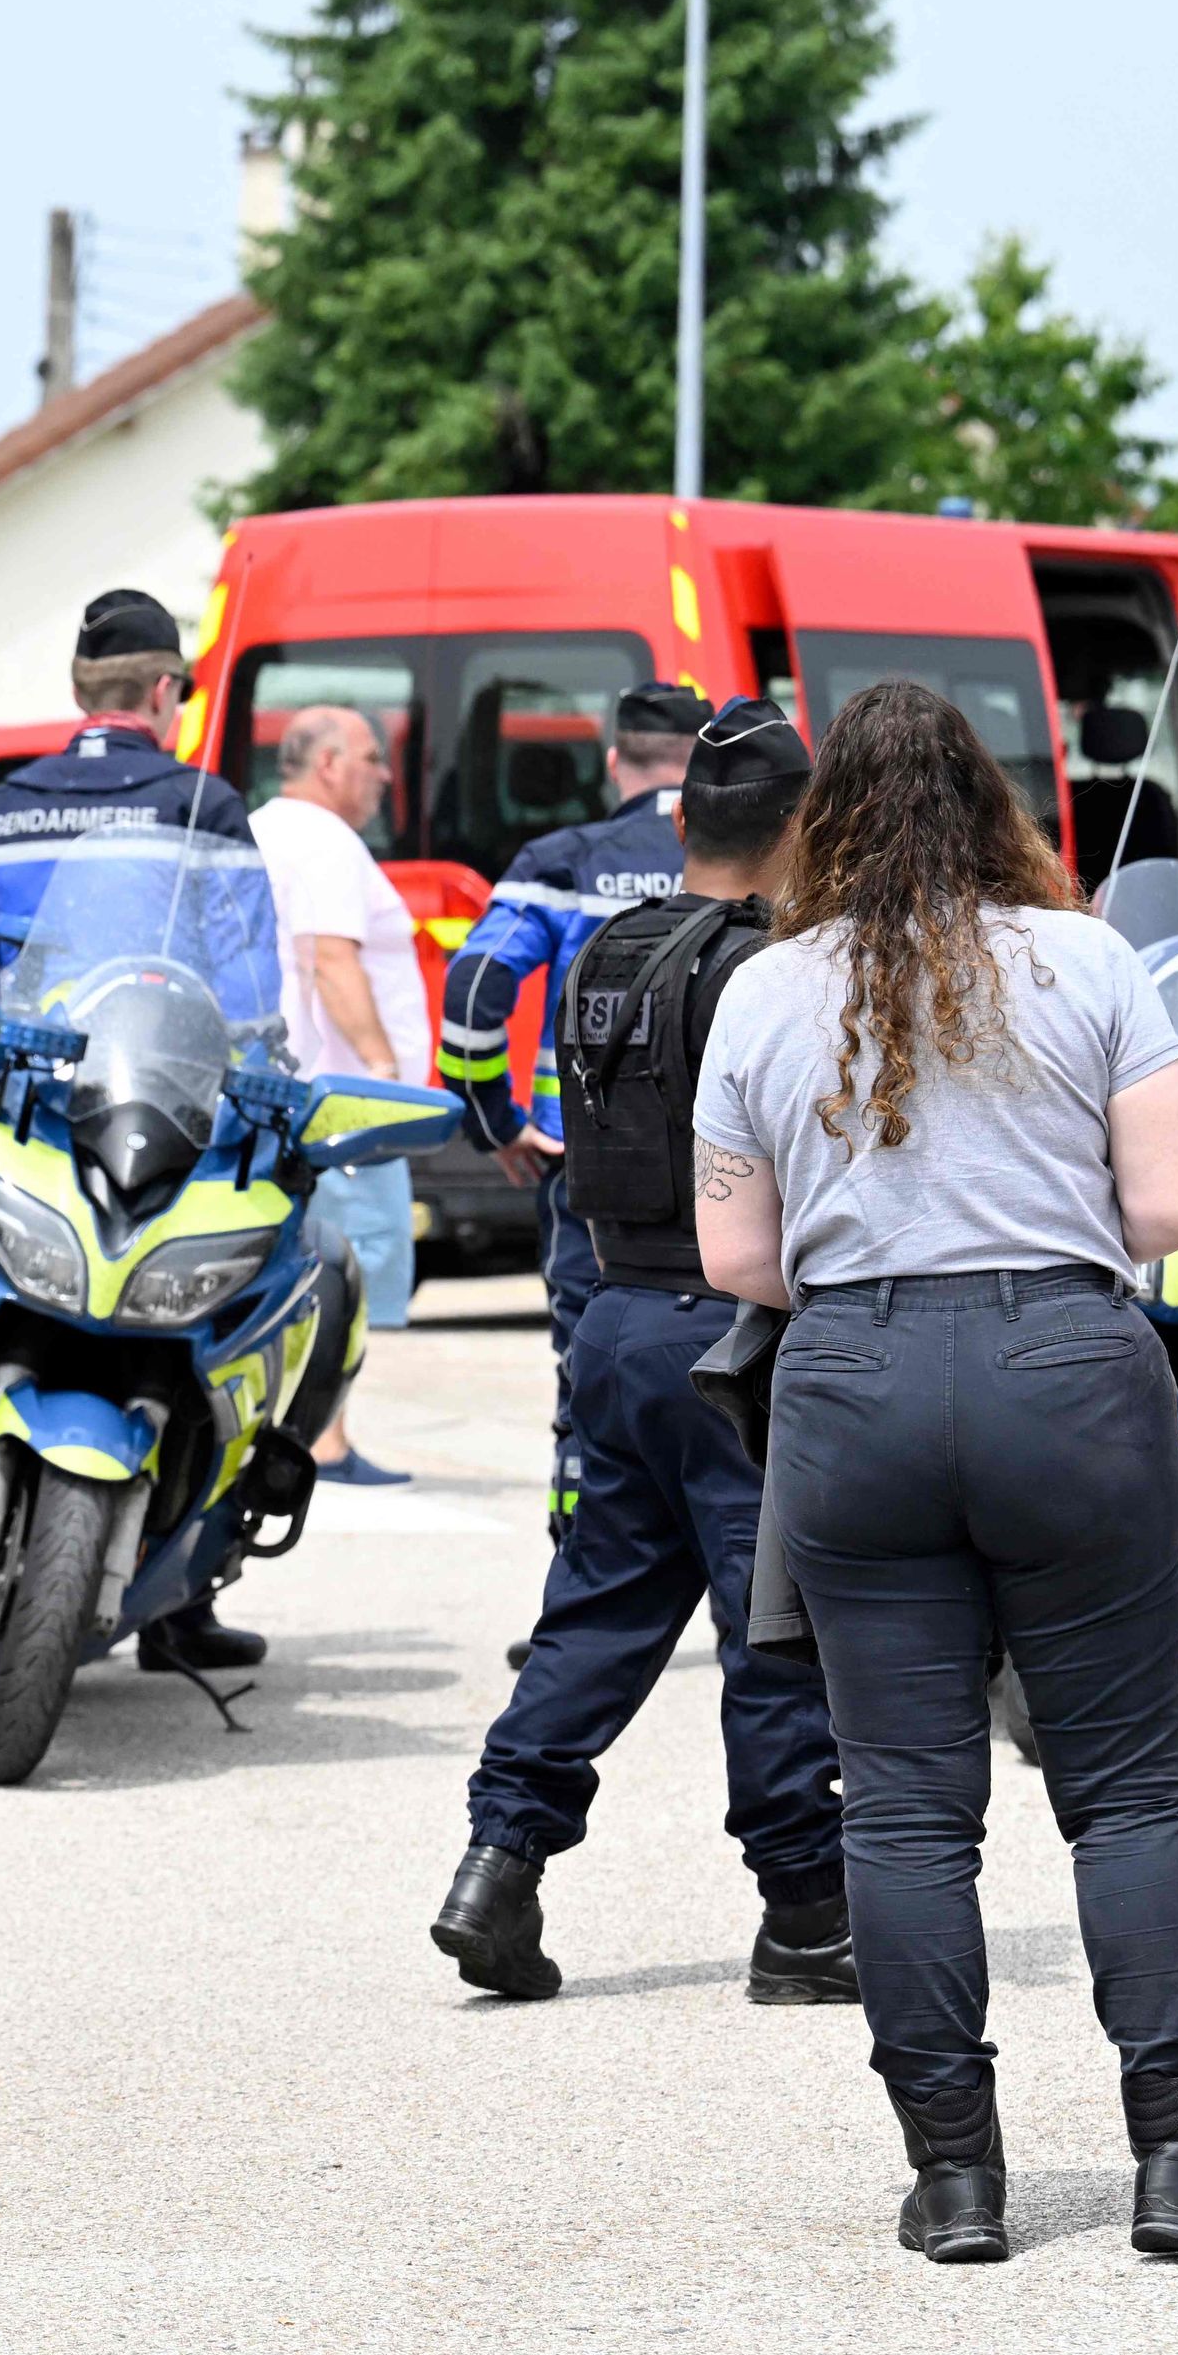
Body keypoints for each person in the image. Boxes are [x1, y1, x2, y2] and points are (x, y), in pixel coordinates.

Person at [692, 677, 1178, 2265]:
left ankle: (956, 2178)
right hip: (1065, 1372)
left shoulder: (762, 992)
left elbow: (733, 1252)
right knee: (1125, 1790)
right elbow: (1169, 1207)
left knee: (900, 1808)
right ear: (992, 806)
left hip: (855, 1386)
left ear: (826, 820)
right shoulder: (1092, 957)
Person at [430, 699, 849, 2006]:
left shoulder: (611, 945)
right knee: (778, 1629)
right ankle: (804, 1915)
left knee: (599, 1610)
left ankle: (497, 1860)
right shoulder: (774, 969)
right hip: (733, 1338)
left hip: (610, 1320)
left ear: (682, 817)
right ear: (801, 825)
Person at [0, 587, 276, 1675]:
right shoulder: (203, 807)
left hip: (28, 1126)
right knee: (241, 1316)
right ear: (167, 691)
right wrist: (272, 1097)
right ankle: (185, 1596)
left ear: (78, 689)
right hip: (168, 1119)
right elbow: (254, 998)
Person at [442, 684, 708, 1637]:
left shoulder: (563, 861)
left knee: (590, 1380)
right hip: (733, 1171)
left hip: (594, 1174)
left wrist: (495, 1119)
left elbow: (474, 983)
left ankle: (579, 1602)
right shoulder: (739, 851)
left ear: (614, 763)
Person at [252, 704, 424, 1485]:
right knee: (343, 1267)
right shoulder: (323, 842)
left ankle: (291, 1428)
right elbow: (331, 958)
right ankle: (323, 1438)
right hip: (338, 1099)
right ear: (327, 763)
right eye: (370, 758)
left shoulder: (261, 828)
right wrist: (384, 1067)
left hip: (282, 1087)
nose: (384, 775)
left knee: (294, 1264)